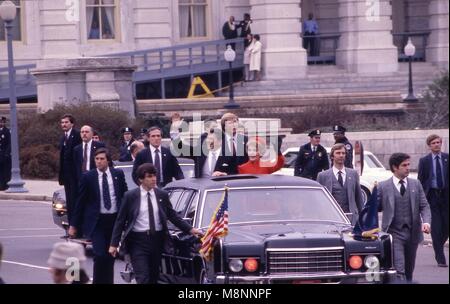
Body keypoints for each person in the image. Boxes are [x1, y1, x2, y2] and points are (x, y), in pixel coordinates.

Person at [109, 163, 203, 284]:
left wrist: (191, 229)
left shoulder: (162, 195)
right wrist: (113, 243)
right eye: (149, 176)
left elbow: (173, 216)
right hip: (138, 241)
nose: (153, 179)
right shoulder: (130, 196)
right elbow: (120, 220)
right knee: (142, 277)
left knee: (154, 276)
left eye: (154, 176)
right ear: (141, 179)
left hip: (157, 240)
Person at [69, 148, 128, 284]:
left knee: (110, 255)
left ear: (108, 160)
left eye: (102, 159)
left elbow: (124, 196)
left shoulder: (117, 174)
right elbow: (80, 202)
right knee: (100, 254)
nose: (99, 161)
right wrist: (73, 225)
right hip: (97, 222)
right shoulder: (88, 177)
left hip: (114, 221)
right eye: (97, 159)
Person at [378, 153, 431, 282]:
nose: (408, 168)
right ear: (395, 167)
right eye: (404, 165)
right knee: (399, 268)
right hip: (394, 233)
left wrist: (426, 222)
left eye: (408, 164)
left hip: (412, 233)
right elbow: (374, 209)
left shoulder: (415, 184)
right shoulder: (383, 186)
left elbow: (424, 205)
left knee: (409, 268)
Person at [418, 134, 449, 267]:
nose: (437, 144)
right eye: (434, 143)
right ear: (429, 146)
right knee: (436, 228)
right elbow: (421, 179)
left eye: (438, 142)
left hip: (446, 196)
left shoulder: (447, 158)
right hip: (432, 197)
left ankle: (438, 245)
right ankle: (441, 259)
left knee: (446, 227)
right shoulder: (424, 161)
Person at [317, 143, 363, 224]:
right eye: (338, 153)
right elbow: (318, 201)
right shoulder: (323, 176)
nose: (341, 155)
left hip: (351, 219)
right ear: (332, 156)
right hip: (331, 219)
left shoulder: (353, 174)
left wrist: (362, 218)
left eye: (343, 153)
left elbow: (359, 199)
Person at [59, 114, 82, 227]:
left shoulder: (77, 135)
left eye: (66, 122)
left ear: (72, 123)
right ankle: (71, 226)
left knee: (75, 200)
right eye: (62, 122)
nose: (64, 124)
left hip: (75, 175)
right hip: (66, 175)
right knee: (69, 201)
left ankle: (76, 226)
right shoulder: (63, 137)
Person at [0, 116, 11, 191]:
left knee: (5, 171)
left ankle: (4, 185)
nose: (1, 123)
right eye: (0, 122)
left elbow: (9, 143)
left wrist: (6, 153)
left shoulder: (7, 131)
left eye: (3, 122)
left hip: (4, 154)